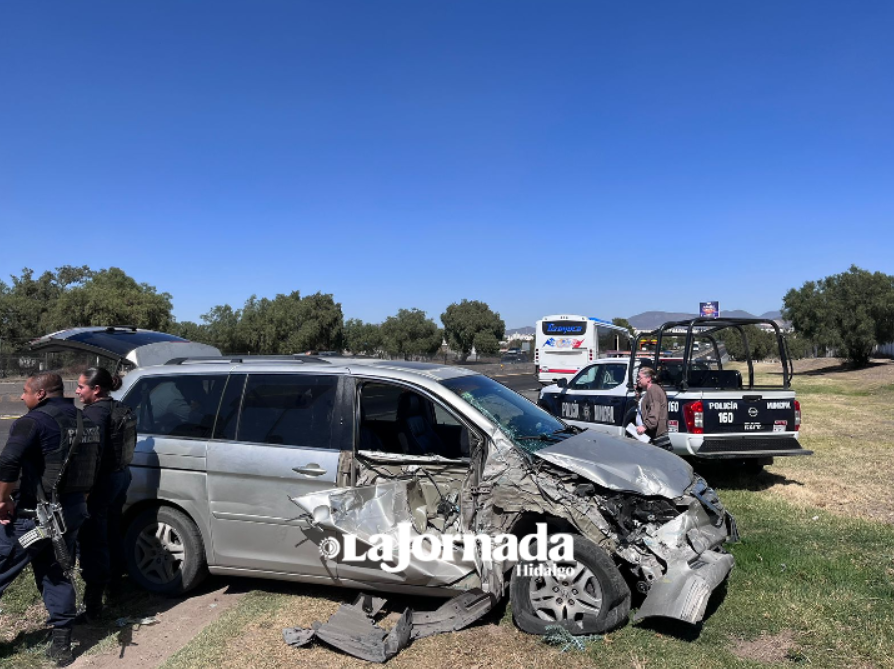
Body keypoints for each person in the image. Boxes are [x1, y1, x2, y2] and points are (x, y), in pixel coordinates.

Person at [0, 372, 101, 666]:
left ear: (41, 394)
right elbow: (93, 467)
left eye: (25, 391)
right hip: (71, 513)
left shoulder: (32, 422)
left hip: (34, 517)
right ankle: (62, 643)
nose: (21, 397)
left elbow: (7, 462)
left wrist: (3, 500)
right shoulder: (87, 423)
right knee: (56, 570)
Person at [75, 367, 135, 621]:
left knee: (92, 541)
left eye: (81, 387)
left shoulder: (95, 413)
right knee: (112, 531)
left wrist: (85, 490)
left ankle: (93, 606)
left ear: (96, 389)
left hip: (103, 483)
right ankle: (116, 588)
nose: (77, 391)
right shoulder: (121, 407)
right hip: (121, 476)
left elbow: (92, 454)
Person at [635, 366, 668, 442]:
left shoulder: (654, 390)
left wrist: (645, 426)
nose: (637, 380)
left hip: (657, 436)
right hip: (650, 435)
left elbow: (654, 411)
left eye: (640, 377)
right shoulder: (650, 391)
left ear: (648, 378)